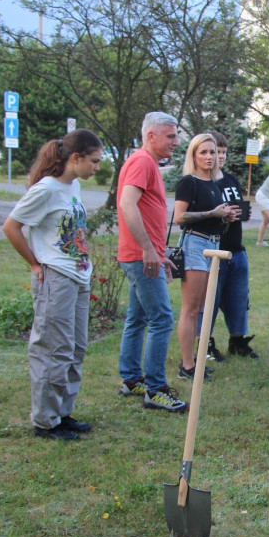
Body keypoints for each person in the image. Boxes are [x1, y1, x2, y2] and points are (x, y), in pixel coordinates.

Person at [1, 129, 103, 441]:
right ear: (76, 158)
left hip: (79, 276)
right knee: (52, 350)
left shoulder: (72, 185)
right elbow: (11, 226)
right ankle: (45, 422)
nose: (97, 167)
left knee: (75, 348)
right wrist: (34, 263)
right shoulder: (45, 189)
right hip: (56, 279)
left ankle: (63, 413)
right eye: (94, 161)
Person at [116, 112, 188, 412]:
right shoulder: (143, 161)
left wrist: (159, 254)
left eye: (176, 135)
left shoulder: (148, 163)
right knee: (162, 319)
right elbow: (126, 204)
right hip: (139, 256)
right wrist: (147, 250)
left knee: (138, 318)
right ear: (151, 136)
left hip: (144, 256)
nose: (176, 141)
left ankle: (132, 379)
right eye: (170, 136)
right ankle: (155, 390)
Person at [173, 133, 240, 381]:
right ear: (193, 155)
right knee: (191, 310)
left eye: (213, 152)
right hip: (195, 243)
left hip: (213, 244)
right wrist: (212, 212)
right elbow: (180, 217)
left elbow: (213, 217)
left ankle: (193, 362)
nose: (210, 157)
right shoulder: (188, 182)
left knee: (201, 307)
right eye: (203, 152)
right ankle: (187, 366)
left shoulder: (213, 183)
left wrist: (224, 217)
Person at [200, 130, 259, 360]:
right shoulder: (201, 182)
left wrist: (243, 212)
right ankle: (205, 342)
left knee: (239, 299)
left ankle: (237, 340)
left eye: (223, 152)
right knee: (210, 302)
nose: (220, 156)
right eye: (216, 151)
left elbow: (235, 206)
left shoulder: (231, 179)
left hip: (236, 249)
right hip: (213, 250)